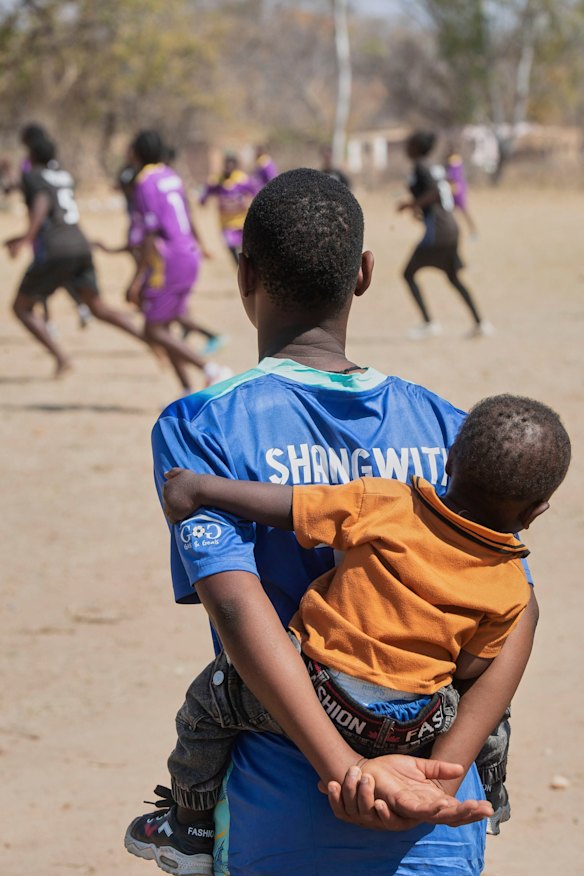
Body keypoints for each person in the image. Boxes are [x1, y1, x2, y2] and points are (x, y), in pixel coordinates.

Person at [124, 169, 538, 876]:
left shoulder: (202, 424)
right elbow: (517, 613)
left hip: (282, 811)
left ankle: (184, 832)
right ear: (366, 274)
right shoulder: (451, 428)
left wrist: (344, 766)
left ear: (245, 271)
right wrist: (445, 771)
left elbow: (235, 601)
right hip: (438, 814)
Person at [124, 393, 569, 875]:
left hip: (322, 693)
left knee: (211, 703)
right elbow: (470, 669)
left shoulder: (386, 502)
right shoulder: (509, 585)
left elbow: (285, 506)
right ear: (536, 513)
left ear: (450, 460)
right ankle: (492, 796)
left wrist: (203, 489)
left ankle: (188, 824)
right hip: (416, 723)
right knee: (491, 711)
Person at [7, 136, 147, 376]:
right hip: (79, 243)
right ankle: (152, 339)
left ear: (31, 153)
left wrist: (25, 239)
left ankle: (61, 357)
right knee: (98, 306)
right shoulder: (63, 175)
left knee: (21, 307)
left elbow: (41, 202)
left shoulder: (33, 176)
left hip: (55, 248)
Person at [127, 130, 231, 391]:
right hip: (188, 253)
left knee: (152, 329)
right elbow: (188, 214)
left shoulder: (144, 182)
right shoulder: (171, 175)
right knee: (166, 323)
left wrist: (137, 278)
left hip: (169, 259)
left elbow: (150, 233)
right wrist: (200, 245)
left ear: (137, 153)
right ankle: (186, 389)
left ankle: (212, 370)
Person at [398, 130, 491, 340]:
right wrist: (418, 209)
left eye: (409, 143)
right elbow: (439, 191)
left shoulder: (421, 166)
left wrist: (411, 204)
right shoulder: (433, 167)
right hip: (450, 226)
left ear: (417, 147)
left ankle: (428, 323)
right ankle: (480, 323)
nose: (406, 147)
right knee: (453, 277)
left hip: (439, 230)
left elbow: (434, 192)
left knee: (408, 273)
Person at [199, 152, 257, 266]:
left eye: (232, 163)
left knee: (247, 248)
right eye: (227, 163)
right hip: (226, 223)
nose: (229, 166)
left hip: (242, 222)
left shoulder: (242, 179)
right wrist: (203, 200)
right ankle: (240, 267)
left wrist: (250, 203)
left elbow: (255, 192)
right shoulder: (217, 180)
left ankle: (249, 267)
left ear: (235, 164)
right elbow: (206, 193)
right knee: (230, 245)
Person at [446, 148, 478, 238]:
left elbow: (454, 179)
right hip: (455, 190)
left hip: (457, 191)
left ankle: (473, 231)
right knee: (453, 214)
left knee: (464, 212)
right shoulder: (456, 164)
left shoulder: (454, 164)